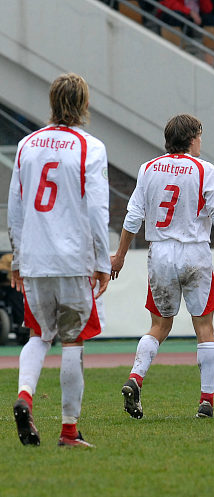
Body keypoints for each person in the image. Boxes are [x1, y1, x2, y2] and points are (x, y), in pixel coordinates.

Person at [112, 114, 214, 420]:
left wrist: (119, 255)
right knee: (204, 328)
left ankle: (136, 377)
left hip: (160, 253)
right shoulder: (204, 169)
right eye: (200, 135)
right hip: (195, 252)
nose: (201, 141)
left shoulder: (148, 168)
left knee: (159, 325)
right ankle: (206, 401)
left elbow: (133, 217)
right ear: (192, 138)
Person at [9, 73, 110, 448]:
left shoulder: (26, 145)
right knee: (72, 341)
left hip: (34, 258)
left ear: (52, 101)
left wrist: (16, 258)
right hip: (72, 259)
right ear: (83, 104)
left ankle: (25, 395)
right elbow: (98, 210)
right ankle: (69, 431)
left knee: (39, 335)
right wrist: (102, 259)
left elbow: (16, 208)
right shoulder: (89, 147)